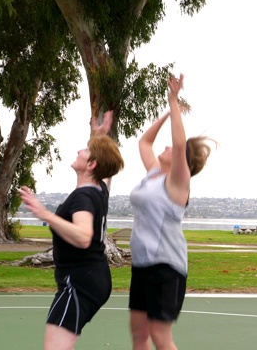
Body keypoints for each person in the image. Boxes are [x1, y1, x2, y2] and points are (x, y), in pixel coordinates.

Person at [18, 110, 124, 350]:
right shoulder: (98, 190)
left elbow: (84, 236)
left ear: (92, 164)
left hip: (79, 283)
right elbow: (106, 172)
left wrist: (44, 213)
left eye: (85, 151)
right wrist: (99, 137)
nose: (79, 151)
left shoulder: (84, 197)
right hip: (91, 279)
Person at [128, 73, 213, 350]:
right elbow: (144, 142)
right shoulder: (153, 174)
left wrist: (173, 100)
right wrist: (167, 112)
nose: (165, 146)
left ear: (181, 161)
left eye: (172, 148)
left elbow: (178, 144)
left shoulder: (177, 183)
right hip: (142, 264)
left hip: (166, 267)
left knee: (160, 336)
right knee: (139, 333)